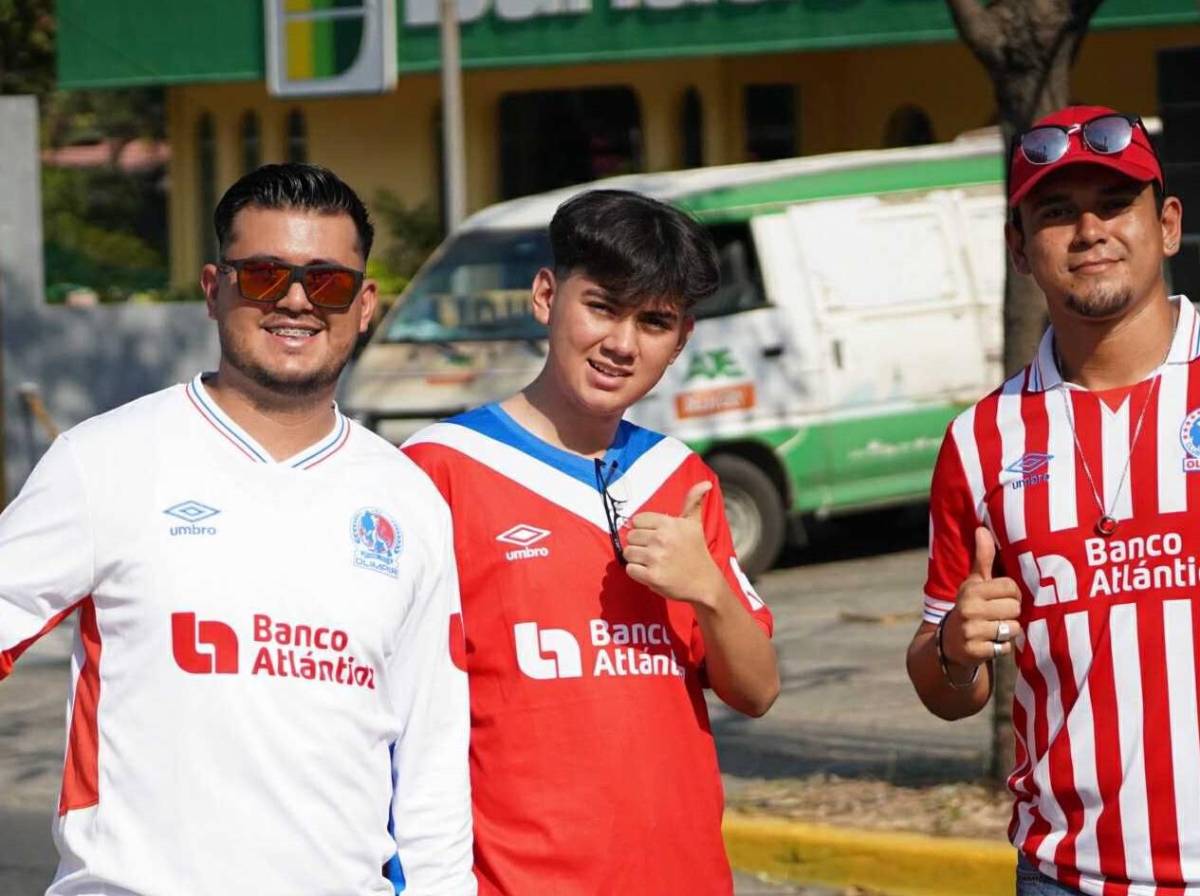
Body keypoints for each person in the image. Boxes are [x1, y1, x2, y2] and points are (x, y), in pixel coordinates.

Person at [0, 164, 475, 895]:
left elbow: (432, 761)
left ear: (366, 302)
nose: (294, 300)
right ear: (214, 287)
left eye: (328, 282)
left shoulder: (408, 499)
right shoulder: (103, 461)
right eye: (262, 274)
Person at [402, 189, 779, 895]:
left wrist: (709, 591)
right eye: (602, 307)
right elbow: (395, 717)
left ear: (683, 338)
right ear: (547, 295)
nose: (622, 344)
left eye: (655, 321)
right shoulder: (439, 468)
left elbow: (757, 690)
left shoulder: (680, 477)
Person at [907, 106, 1195, 895]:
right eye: (1057, 212)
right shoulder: (981, 440)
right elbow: (943, 688)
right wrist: (957, 650)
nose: (1090, 229)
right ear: (1019, 250)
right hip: (1071, 875)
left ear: (1166, 224)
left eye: (1114, 203)